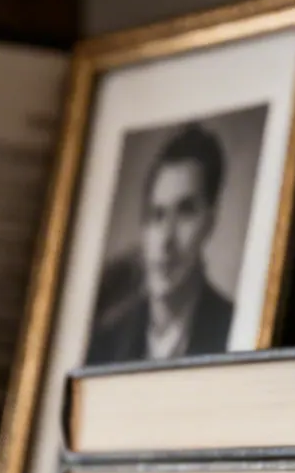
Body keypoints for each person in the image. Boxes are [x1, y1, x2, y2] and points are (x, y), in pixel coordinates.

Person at [85, 122, 235, 365]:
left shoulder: (234, 328)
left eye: (185, 212)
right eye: (157, 215)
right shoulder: (104, 342)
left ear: (210, 221)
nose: (165, 240)